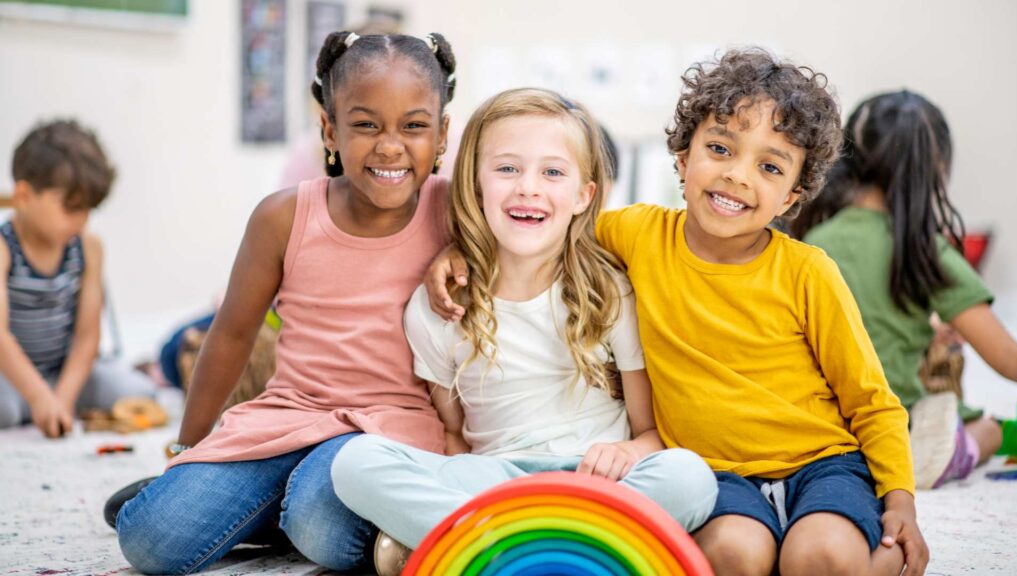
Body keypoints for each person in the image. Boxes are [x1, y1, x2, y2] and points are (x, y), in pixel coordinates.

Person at [426, 50, 928, 576]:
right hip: (715, 473)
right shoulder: (636, 233)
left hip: (823, 464)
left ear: (791, 197)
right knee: (731, 556)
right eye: (719, 148)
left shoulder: (809, 272)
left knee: (820, 558)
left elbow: (872, 401)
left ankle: (880, 563)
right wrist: (460, 251)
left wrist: (901, 502)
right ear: (684, 159)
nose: (737, 175)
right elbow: (541, 232)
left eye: (770, 167)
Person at [332, 88, 717, 576]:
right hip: (495, 480)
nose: (528, 188)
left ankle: (496, 550)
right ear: (474, 187)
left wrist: (626, 452)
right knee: (354, 463)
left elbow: (648, 433)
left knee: (690, 477)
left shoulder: (610, 291)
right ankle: (559, 549)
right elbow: (454, 434)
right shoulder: (437, 307)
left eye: (552, 172)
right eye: (507, 169)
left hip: (593, 479)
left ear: (583, 196)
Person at [111, 31, 457, 574]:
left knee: (321, 528)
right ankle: (266, 505)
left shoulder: (457, 213)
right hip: (289, 416)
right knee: (149, 539)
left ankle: (280, 511)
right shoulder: (282, 217)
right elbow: (230, 334)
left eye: (414, 126)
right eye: (365, 124)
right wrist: (188, 450)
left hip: (387, 434)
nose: (390, 146)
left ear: (442, 134)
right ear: (329, 128)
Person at [793, 91, 1017, 488]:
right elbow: (1008, 360)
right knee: (987, 426)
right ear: (933, 168)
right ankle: (967, 443)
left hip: (824, 422)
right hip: (896, 417)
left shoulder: (812, 238)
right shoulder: (924, 252)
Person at [0, 119, 154, 437]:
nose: (82, 220)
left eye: (88, 209)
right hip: (9, 377)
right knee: (6, 408)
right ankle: (32, 409)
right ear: (25, 195)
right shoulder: (4, 248)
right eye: (71, 208)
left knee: (141, 393)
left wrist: (63, 399)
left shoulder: (88, 247)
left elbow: (87, 338)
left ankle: (43, 409)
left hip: (63, 373)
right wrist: (38, 397)